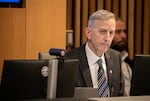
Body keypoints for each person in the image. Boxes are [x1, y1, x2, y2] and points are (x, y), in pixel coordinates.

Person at [65, 9, 124, 97]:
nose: (107, 38)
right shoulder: (69, 60)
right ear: (88, 33)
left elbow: (120, 95)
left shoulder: (116, 58)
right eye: (103, 31)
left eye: (111, 33)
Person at [110, 17, 132, 96]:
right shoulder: (102, 64)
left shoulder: (128, 64)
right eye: (118, 32)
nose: (123, 36)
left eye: (124, 32)